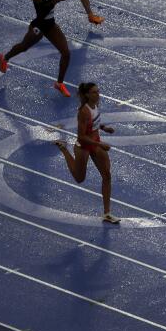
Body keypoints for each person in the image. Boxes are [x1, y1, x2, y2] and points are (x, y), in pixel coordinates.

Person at [0, 0, 71, 97]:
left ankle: (59, 83)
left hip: (51, 25)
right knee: (24, 47)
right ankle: (5, 58)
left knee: (66, 53)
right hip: (39, 27)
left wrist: (55, 0)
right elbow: (42, 13)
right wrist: (55, 1)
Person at [54, 82, 120, 224]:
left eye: (98, 91)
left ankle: (107, 213)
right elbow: (81, 136)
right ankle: (64, 149)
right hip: (84, 146)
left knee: (107, 175)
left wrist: (104, 128)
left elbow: (94, 122)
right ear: (87, 95)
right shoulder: (83, 112)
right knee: (79, 178)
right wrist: (100, 144)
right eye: (95, 92)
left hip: (95, 143)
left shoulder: (95, 106)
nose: (98, 94)